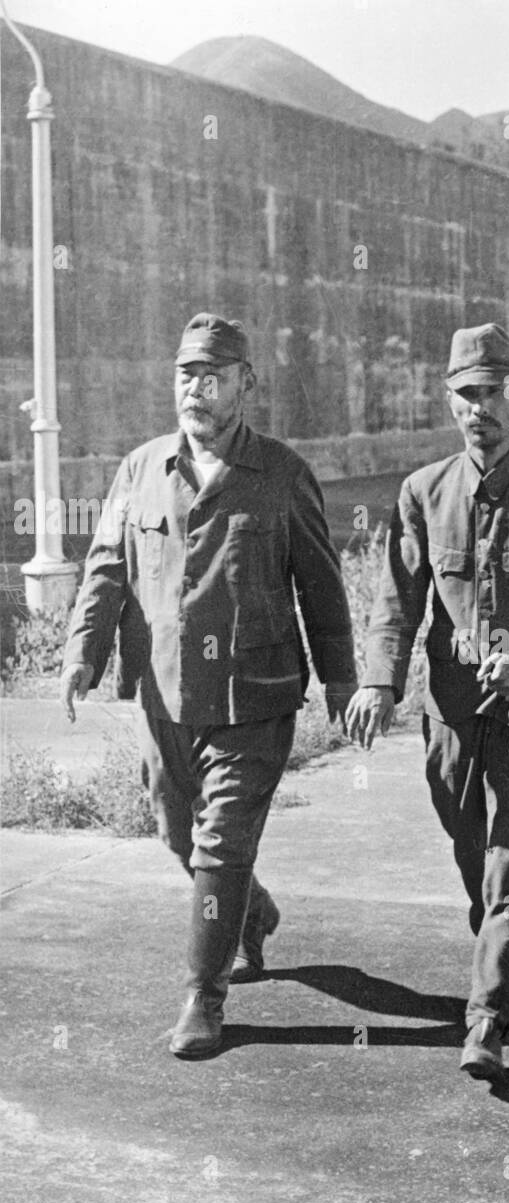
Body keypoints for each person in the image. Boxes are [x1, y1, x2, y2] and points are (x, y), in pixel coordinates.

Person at [60, 313, 357, 1055]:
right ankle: (249, 910)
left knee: (221, 845)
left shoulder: (283, 474)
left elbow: (321, 591)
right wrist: (81, 654)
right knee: (177, 831)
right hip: (165, 695)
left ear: (244, 385)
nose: (195, 389)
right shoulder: (140, 469)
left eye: (212, 376)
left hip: (254, 695)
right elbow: (105, 570)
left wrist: (343, 682)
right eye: (185, 375)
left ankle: (204, 998)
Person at [346, 324, 509, 1080]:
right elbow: (396, 602)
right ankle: (508, 940)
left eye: (493, 392)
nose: (479, 407)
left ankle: (487, 1018)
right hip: (453, 713)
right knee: (470, 848)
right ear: (449, 401)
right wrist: (379, 680)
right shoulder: (422, 493)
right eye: (466, 394)